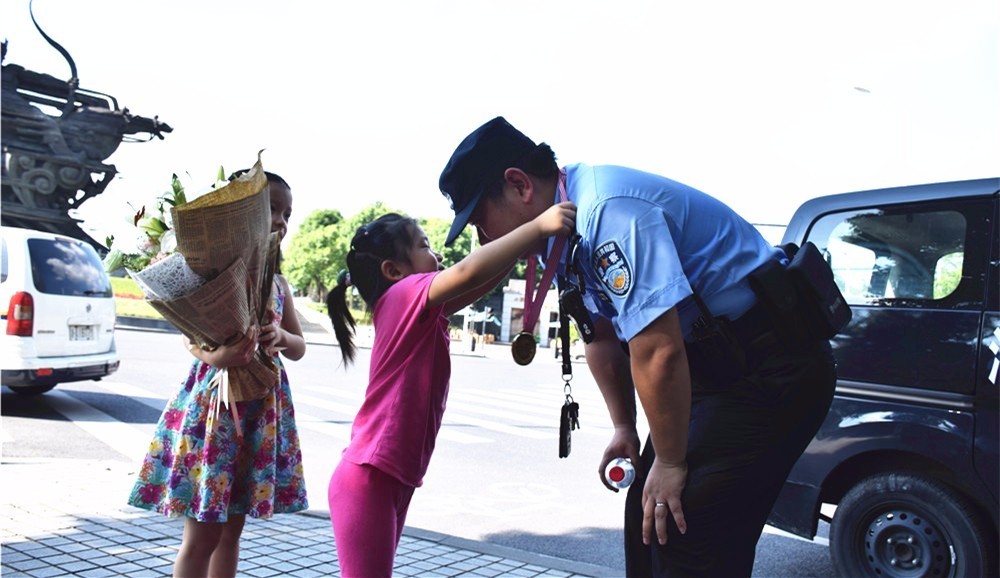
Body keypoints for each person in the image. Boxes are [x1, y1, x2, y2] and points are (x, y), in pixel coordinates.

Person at [438, 116, 837, 577]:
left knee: (682, 529)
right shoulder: (563, 229)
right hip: (716, 373)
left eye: (481, 221)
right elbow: (601, 336)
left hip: (770, 370)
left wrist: (669, 460)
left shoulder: (608, 210)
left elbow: (657, 349)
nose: (484, 239)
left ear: (518, 185)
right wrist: (624, 426)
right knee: (644, 520)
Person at [325, 202, 575, 578]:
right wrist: (536, 227)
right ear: (393, 271)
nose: (437, 253)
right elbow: (468, 270)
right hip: (370, 477)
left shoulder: (419, 311)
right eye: (425, 245)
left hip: (389, 477)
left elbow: (477, 280)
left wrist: (519, 248)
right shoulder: (403, 295)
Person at [127, 171, 308, 578]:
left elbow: (299, 347)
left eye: (287, 214)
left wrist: (280, 335)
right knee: (202, 536)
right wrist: (219, 356)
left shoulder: (278, 284)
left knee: (232, 533)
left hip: (259, 412)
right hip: (215, 416)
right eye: (272, 210)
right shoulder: (214, 276)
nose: (280, 221)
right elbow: (193, 341)